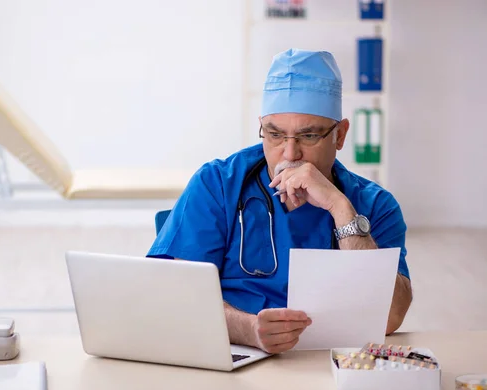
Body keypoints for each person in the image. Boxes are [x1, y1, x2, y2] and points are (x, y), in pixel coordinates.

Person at [146, 48, 412, 355]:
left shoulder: (375, 205)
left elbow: (390, 317)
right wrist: (249, 330)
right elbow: (178, 295)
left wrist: (341, 211)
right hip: (230, 353)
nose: (289, 154)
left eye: (308, 135)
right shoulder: (218, 184)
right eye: (274, 134)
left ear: (340, 135)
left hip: (329, 361)